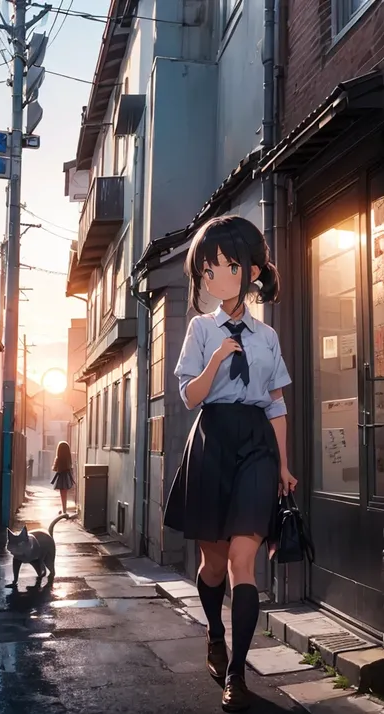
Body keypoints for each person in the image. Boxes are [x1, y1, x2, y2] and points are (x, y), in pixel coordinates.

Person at [164, 215, 297, 712]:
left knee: (245, 563)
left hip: (256, 447)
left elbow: (277, 404)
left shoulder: (267, 337)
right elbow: (188, 395)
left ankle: (237, 674)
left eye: (228, 264)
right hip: (212, 441)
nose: (217, 274)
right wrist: (217, 358)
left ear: (251, 269)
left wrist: (283, 465)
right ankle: (214, 633)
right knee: (213, 564)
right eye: (209, 267)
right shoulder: (200, 329)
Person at [51, 441, 74, 515]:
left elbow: (55, 469)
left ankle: (64, 510)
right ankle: (64, 509)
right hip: (67, 476)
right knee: (66, 494)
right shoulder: (68, 459)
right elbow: (70, 468)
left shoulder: (58, 458)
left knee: (62, 494)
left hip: (61, 477)